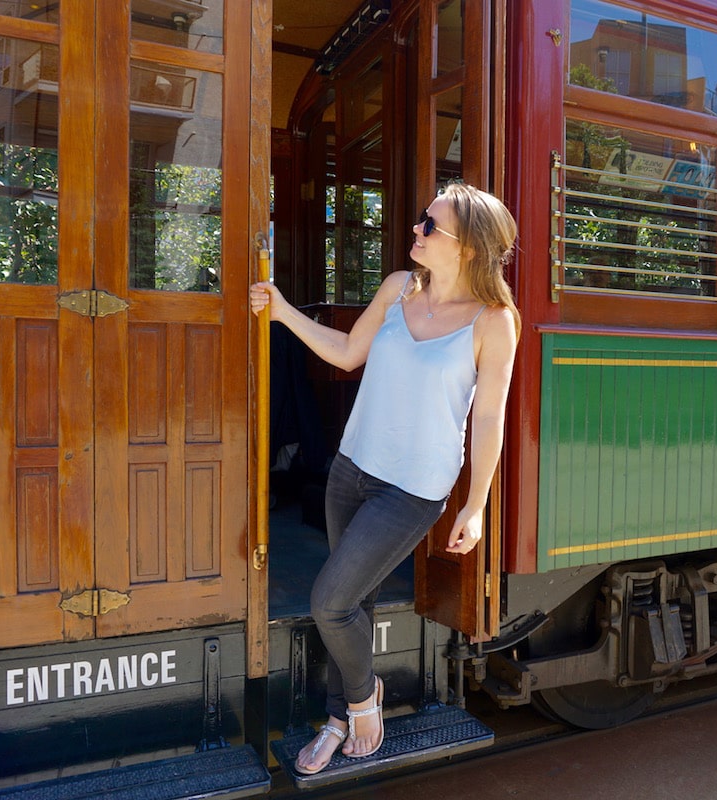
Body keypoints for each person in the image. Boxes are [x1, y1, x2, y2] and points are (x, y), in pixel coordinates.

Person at [249, 183, 519, 775]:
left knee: (330, 601)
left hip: (413, 490)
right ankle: (339, 720)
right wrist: (281, 309)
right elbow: (347, 353)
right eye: (422, 220)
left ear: (467, 247)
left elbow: (490, 419)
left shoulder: (494, 322)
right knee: (355, 604)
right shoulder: (399, 288)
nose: (416, 230)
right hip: (351, 469)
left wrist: (474, 506)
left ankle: (364, 702)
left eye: (430, 226)